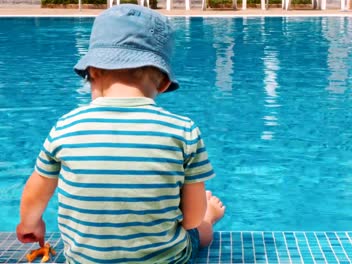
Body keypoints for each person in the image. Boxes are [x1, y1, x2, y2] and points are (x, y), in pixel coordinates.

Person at [16, 4, 225, 263]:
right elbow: (190, 218)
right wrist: (199, 217)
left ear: (92, 72)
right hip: (166, 259)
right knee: (199, 230)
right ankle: (211, 218)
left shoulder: (66, 127)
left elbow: (37, 192)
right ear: (165, 83)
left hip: (84, 260)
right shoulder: (183, 130)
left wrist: (30, 225)